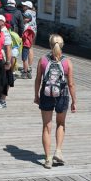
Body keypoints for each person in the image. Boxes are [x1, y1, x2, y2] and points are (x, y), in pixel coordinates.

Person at [34, 34, 77, 169]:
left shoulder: (42, 60)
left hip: (46, 95)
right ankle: (58, 151)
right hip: (62, 95)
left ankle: (47, 159)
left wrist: (36, 95)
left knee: (46, 126)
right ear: (62, 45)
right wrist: (74, 101)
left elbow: (38, 79)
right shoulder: (67, 62)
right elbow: (71, 84)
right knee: (60, 123)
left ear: (50, 44)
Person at [21, 12, 36, 79]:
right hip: (28, 44)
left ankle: (25, 72)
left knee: (24, 59)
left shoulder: (27, 27)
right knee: (25, 58)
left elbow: (24, 36)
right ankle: (28, 72)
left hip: (25, 44)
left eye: (24, 18)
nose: (23, 18)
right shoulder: (29, 26)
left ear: (28, 19)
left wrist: (20, 37)